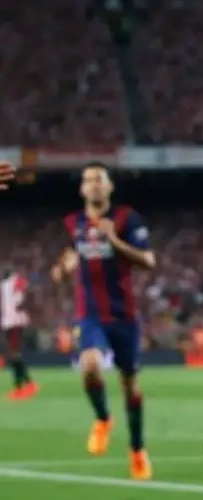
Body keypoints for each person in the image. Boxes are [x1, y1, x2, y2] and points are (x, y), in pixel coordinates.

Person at [51, 162, 155, 480]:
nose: (94, 184)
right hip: (91, 315)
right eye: (89, 180)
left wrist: (115, 241)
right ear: (82, 189)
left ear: (110, 187)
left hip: (124, 315)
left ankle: (137, 449)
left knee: (131, 386)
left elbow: (149, 261)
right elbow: (60, 270)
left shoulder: (126, 219)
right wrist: (63, 269)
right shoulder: (73, 224)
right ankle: (103, 418)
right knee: (90, 366)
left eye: (100, 179)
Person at [1, 268, 38, 400]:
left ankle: (22, 387)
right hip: (11, 322)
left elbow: (25, 286)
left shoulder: (10, 283)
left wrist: (20, 302)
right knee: (13, 355)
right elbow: (25, 287)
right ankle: (26, 384)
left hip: (14, 322)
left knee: (14, 355)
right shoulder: (7, 284)